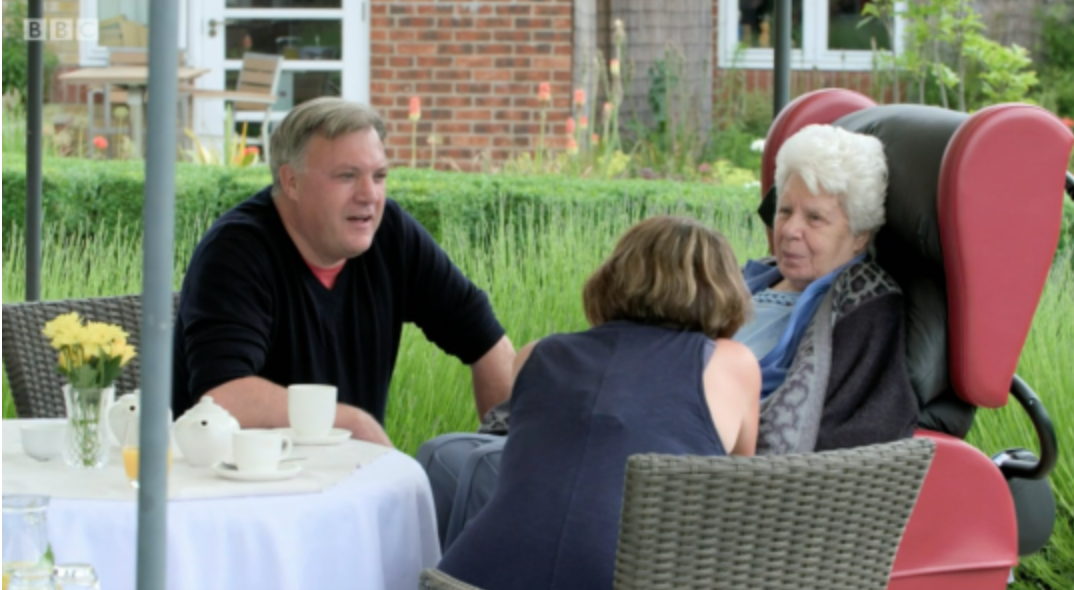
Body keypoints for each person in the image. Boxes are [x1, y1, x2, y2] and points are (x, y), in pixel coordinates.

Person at [419, 123, 919, 547]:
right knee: (450, 456)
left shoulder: (862, 304)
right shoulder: (748, 279)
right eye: (785, 211)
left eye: (815, 219)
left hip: (678, 458)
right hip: (619, 421)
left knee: (466, 466)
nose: (790, 230)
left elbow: (845, 433)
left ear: (858, 236)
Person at [436, 216, 761, 590]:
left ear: (614, 276)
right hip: (628, 575)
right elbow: (738, 486)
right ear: (723, 290)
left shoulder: (536, 354)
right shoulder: (731, 363)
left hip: (474, 572)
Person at [171, 97, 515, 447]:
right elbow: (224, 396)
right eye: (347, 176)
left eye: (379, 176)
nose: (369, 195)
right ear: (291, 182)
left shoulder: (390, 234)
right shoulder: (236, 251)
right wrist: (352, 422)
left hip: (345, 481)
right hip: (231, 486)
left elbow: (488, 344)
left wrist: (504, 460)